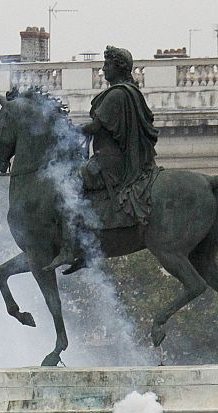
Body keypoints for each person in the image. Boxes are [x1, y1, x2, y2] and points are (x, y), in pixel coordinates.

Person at [46, 45, 160, 275]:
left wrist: (65, 131)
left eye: (107, 64)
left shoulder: (118, 94)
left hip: (110, 162)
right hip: (115, 158)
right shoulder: (130, 92)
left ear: (119, 67)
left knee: (67, 184)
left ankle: (70, 249)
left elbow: (95, 127)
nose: (103, 69)